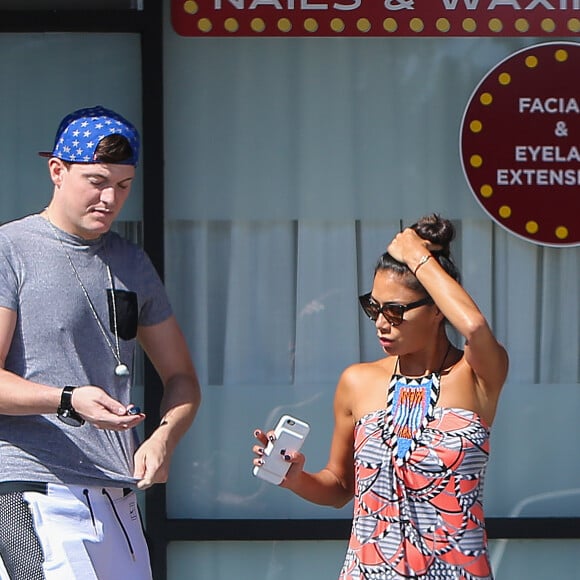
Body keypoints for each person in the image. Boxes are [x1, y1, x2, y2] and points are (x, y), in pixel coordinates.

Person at [0, 105, 201, 579]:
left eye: (123, 185)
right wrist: (67, 399)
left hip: (118, 495)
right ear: (57, 171)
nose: (110, 198)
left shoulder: (131, 262)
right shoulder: (11, 249)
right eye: (96, 181)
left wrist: (163, 439)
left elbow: (181, 378)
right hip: (35, 490)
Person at [252, 214, 508, 579]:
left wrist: (417, 256)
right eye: (373, 307)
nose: (381, 322)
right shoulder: (357, 381)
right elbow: (341, 488)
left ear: (438, 308)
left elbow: (475, 327)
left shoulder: (476, 375)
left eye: (395, 310)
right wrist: (295, 477)